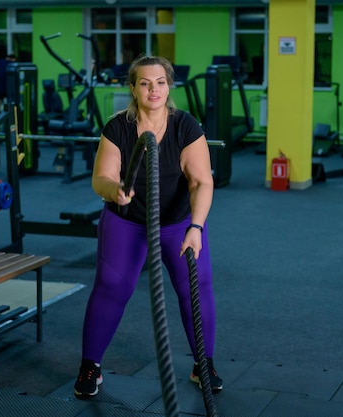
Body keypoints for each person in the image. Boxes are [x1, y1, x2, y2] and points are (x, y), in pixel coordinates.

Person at [74, 55, 222, 397]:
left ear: (168, 86)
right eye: (144, 83)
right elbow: (102, 178)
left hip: (178, 222)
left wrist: (196, 228)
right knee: (111, 287)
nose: (153, 89)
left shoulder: (186, 127)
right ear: (133, 88)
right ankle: (90, 366)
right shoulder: (117, 128)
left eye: (159, 82)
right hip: (126, 221)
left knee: (196, 285)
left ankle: (205, 363)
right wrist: (116, 190)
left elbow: (202, 182)